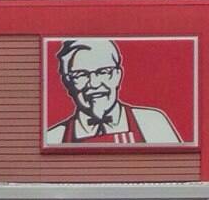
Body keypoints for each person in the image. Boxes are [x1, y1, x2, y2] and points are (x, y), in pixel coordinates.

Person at [45, 38, 182, 146]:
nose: (94, 83)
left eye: (103, 72)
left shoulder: (151, 122)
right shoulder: (54, 137)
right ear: (67, 82)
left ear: (118, 75)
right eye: (81, 75)